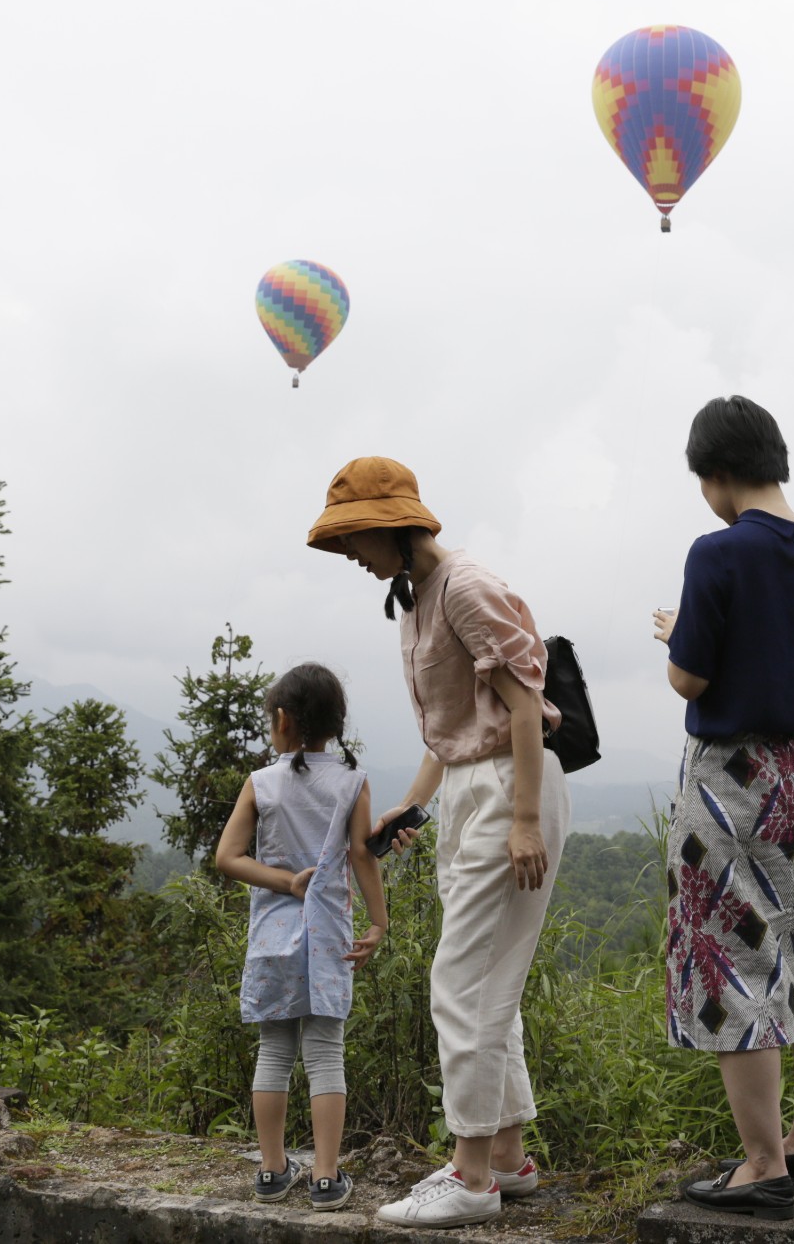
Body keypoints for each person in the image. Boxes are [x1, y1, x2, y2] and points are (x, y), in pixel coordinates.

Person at [306, 456, 570, 1229]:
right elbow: (453, 728)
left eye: (356, 538)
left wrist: (523, 818)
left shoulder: (465, 585)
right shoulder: (417, 598)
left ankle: (472, 1177)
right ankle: (507, 1160)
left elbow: (525, 705)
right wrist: (413, 808)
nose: (354, 556)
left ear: (392, 523)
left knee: (461, 982)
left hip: (508, 787)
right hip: (470, 786)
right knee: (493, 980)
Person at [652, 396, 794, 1222]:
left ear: (719, 473)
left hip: (731, 780)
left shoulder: (717, 553)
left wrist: (678, 637)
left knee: (729, 955)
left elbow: (689, 679)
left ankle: (761, 1163)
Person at [213, 662, 391, 1213]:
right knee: (325, 1053)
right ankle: (324, 1177)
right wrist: (378, 922)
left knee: (274, 1050)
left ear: (284, 720)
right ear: (335, 724)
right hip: (329, 935)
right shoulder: (351, 781)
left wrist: (286, 883)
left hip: (271, 935)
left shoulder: (261, 783)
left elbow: (227, 858)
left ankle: (271, 1171)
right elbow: (362, 855)